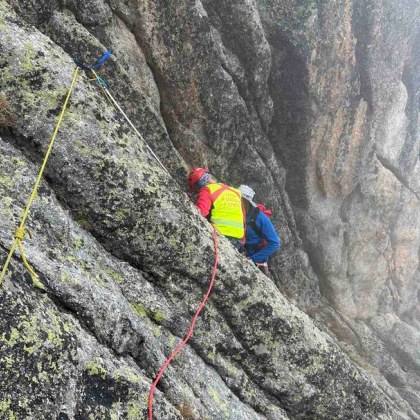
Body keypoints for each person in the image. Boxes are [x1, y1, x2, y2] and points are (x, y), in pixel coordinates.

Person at [187, 168, 245, 251]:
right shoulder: (235, 191)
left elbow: (201, 212)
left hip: (222, 234)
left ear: (198, 185)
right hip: (238, 237)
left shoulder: (207, 190)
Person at [239, 185, 281, 276]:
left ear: (246, 201)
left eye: (240, 199)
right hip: (241, 251)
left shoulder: (260, 218)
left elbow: (275, 243)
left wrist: (253, 259)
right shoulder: (236, 211)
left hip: (257, 258)